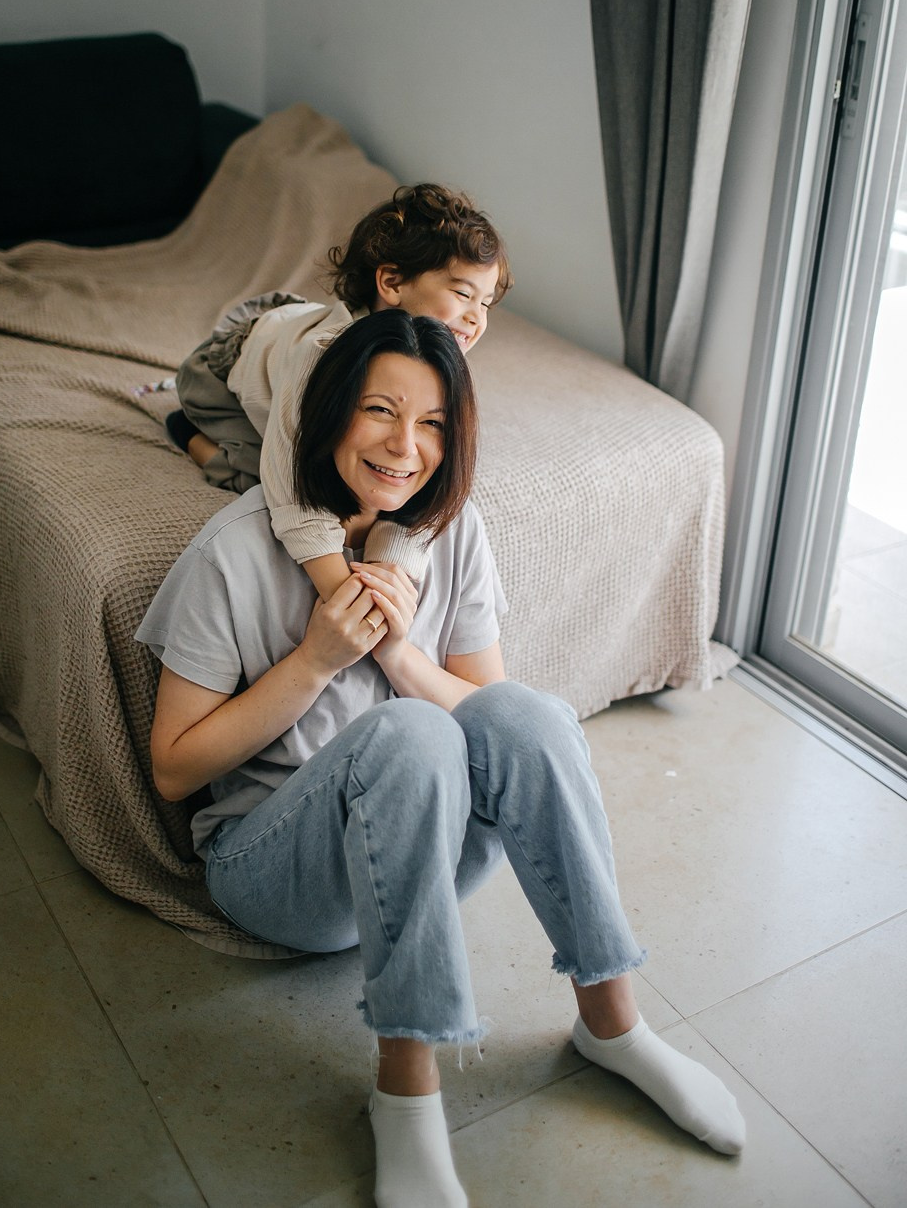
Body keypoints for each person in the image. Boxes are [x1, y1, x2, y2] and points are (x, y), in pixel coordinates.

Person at [137, 311, 746, 1208]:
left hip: (430, 857)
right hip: (278, 875)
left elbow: (489, 712)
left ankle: (614, 1024)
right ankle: (407, 1091)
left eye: (431, 425)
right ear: (328, 414)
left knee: (526, 713)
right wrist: (314, 661)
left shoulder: (452, 534)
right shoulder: (231, 554)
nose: (404, 446)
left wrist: (396, 656)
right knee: (411, 734)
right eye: (380, 411)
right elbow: (174, 771)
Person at [165, 182, 510, 602]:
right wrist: (343, 593)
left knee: (387, 475)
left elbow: (427, 485)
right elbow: (292, 494)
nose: (477, 318)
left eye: (487, 304)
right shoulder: (321, 357)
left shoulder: (440, 361)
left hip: (292, 332)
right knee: (276, 482)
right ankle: (186, 430)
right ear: (392, 281)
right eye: (462, 294)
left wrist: (391, 569)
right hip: (223, 377)